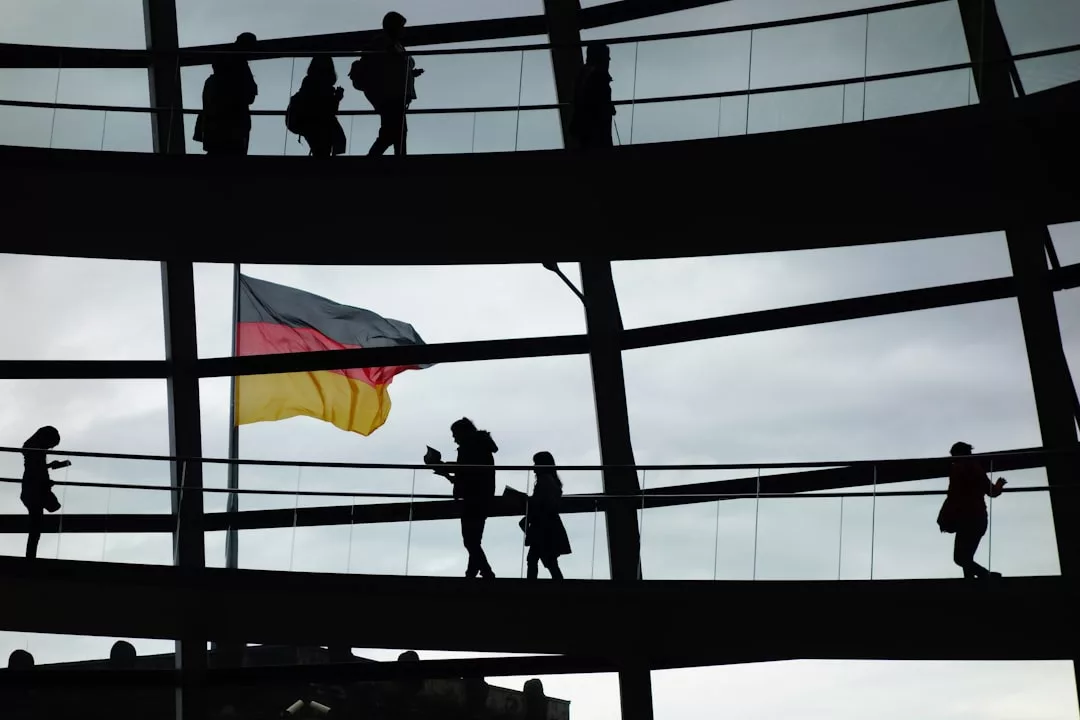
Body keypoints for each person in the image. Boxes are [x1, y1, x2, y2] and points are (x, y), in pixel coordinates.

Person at [428, 418, 497, 579]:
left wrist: (443, 467)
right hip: (483, 495)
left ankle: (486, 572)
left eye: (455, 434)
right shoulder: (481, 445)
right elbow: (469, 472)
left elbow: (465, 471)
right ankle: (472, 573)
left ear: (463, 433)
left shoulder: (470, 447)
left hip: (472, 497)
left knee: (470, 541)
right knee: (474, 539)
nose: (454, 438)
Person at [356, 11, 424, 156]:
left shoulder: (390, 44)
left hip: (393, 95)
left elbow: (393, 69)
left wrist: (410, 74)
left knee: (393, 132)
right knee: (395, 132)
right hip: (390, 95)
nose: (404, 30)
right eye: (402, 27)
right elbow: (389, 69)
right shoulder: (385, 44)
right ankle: (392, 162)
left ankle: (392, 161)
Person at [936, 441, 1006, 579]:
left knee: (961, 558)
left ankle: (986, 575)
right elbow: (992, 492)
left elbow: (953, 495)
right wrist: (999, 484)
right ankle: (977, 579)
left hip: (966, 518)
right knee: (965, 557)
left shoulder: (958, 469)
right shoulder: (975, 468)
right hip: (977, 518)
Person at [195, 32, 259, 155]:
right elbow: (250, 95)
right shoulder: (240, 68)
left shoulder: (212, 81)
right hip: (234, 126)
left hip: (216, 127)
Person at [523, 451, 571, 580]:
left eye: (536, 464)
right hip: (549, 525)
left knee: (535, 559)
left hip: (543, 526)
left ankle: (530, 587)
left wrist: (527, 500)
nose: (533, 467)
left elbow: (541, 502)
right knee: (549, 561)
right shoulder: (551, 481)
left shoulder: (544, 481)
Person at [21, 425, 66, 560]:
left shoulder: (33, 450)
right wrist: (46, 482)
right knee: (36, 528)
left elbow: (33, 468)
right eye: (51, 444)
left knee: (35, 527)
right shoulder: (36, 451)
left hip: (31, 490)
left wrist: (49, 466)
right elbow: (35, 470)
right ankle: (30, 559)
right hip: (36, 491)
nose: (50, 448)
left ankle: (30, 557)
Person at [291, 55, 347, 156]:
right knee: (326, 149)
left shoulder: (309, 82)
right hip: (317, 123)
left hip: (308, 122)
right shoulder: (325, 86)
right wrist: (337, 98)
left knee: (321, 152)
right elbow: (329, 110)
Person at [569, 43, 615, 150]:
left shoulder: (583, 75)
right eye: (606, 58)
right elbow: (597, 106)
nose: (608, 61)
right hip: (597, 132)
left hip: (586, 131)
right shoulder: (598, 77)